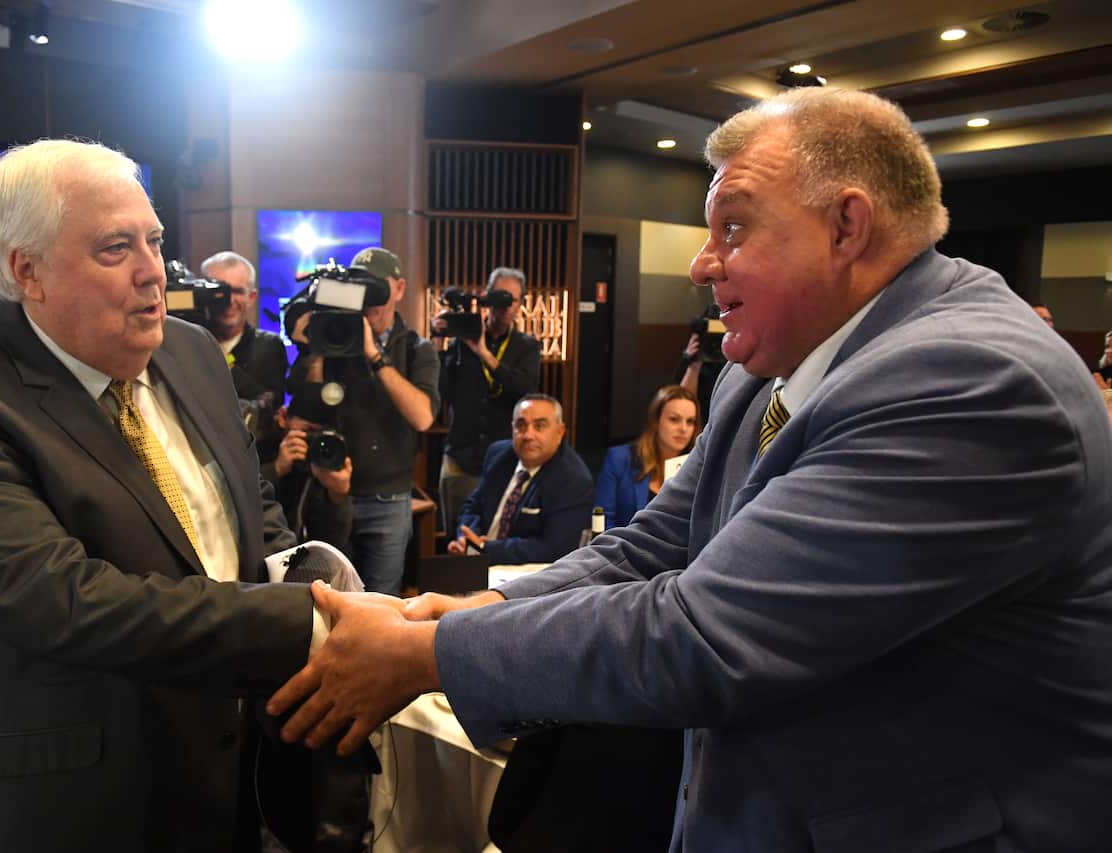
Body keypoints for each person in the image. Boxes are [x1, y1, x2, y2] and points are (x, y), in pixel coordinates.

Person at [270, 88, 1112, 852]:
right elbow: (658, 541)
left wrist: (433, 655)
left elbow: (708, 633)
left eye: (734, 228)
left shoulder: (972, 380)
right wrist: (488, 602)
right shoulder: (764, 365)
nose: (702, 263)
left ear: (847, 227)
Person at [0, 140, 324, 853]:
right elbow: (65, 599)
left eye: (155, 240)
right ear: (28, 271)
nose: (154, 273)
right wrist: (314, 619)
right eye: (116, 248)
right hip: (76, 806)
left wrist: (300, 562)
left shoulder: (191, 350)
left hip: (232, 782)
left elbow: (246, 503)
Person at [288, 247, 439, 595]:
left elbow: (422, 417)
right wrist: (315, 349)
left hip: (388, 499)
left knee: (380, 605)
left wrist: (374, 354)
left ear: (398, 289)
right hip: (333, 493)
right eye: (361, 287)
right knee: (329, 602)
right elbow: (302, 414)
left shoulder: (417, 349)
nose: (369, 299)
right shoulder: (332, 339)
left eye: (378, 288)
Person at [434, 267, 541, 536]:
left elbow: (524, 389)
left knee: (497, 537)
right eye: (498, 297)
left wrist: (483, 353)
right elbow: (441, 391)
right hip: (461, 456)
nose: (504, 307)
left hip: (504, 461)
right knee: (456, 539)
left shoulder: (526, 346)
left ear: (520, 304)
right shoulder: (462, 339)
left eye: (511, 300)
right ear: (486, 297)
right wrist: (437, 341)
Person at [447, 394, 592, 566]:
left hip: (527, 572)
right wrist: (467, 537)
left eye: (539, 426)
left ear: (560, 432)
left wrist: (486, 547)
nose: (528, 435)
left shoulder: (573, 479)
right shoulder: (499, 455)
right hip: (477, 561)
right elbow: (474, 505)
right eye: (521, 425)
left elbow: (553, 547)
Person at [261, 384, 354, 553]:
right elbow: (239, 504)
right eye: (308, 431)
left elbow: (332, 543)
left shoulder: (329, 460)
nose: (317, 442)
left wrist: (338, 496)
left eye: (324, 433)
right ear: (283, 417)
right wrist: (276, 469)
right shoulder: (257, 448)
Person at [594, 386, 699, 529]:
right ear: (655, 421)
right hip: (624, 548)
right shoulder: (620, 459)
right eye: (674, 419)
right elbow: (602, 522)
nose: (683, 428)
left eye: (690, 421)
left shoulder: (697, 467)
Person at [199, 250, 287, 411]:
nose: (229, 300)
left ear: (251, 297)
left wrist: (222, 362)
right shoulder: (187, 344)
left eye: (238, 291)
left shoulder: (269, 346)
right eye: (221, 291)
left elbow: (270, 410)